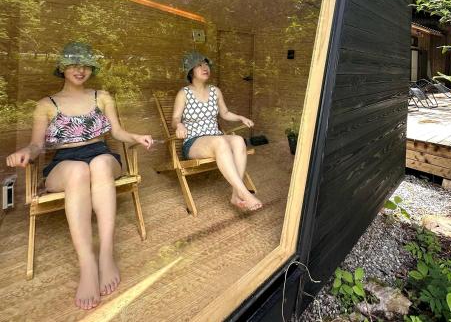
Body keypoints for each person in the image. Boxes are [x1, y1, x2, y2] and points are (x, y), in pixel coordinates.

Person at [6, 42, 153, 310]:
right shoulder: (46, 104)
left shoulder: (102, 96)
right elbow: (38, 145)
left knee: (96, 164)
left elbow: (118, 133)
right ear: (62, 68)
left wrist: (135, 137)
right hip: (63, 161)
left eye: (85, 64)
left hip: (102, 154)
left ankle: (106, 255)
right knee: (78, 170)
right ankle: (87, 264)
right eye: (74, 64)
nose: (80, 69)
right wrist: (26, 151)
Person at [172, 51, 263, 211]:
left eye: (206, 64)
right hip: (194, 142)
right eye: (199, 65)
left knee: (238, 141)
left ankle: (236, 195)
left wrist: (241, 117)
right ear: (190, 71)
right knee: (221, 141)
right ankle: (245, 193)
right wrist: (179, 125)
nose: (205, 67)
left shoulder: (215, 91)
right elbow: (175, 118)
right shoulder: (184, 94)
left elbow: (225, 113)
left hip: (216, 139)